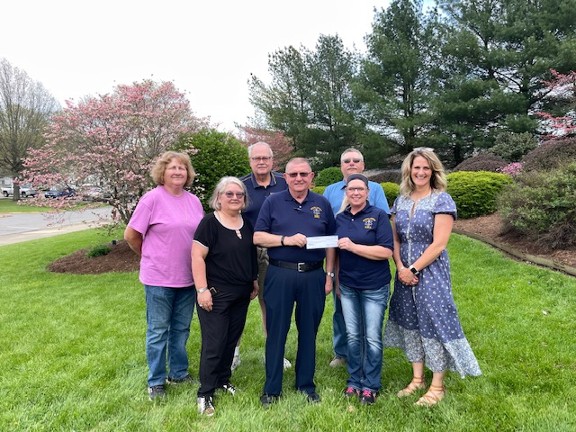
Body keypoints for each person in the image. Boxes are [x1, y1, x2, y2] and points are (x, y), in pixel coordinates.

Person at [384, 147, 481, 407]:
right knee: (410, 321)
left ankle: (437, 385)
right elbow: (394, 238)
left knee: (434, 321)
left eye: (426, 168)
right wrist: (401, 266)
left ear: (433, 171)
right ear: (409, 170)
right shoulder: (401, 200)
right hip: (403, 271)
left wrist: (413, 269)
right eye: (417, 167)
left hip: (431, 273)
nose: (421, 172)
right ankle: (417, 379)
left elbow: (439, 244)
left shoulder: (441, 200)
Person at [254, 157, 336, 407]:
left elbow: (331, 240)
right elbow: (257, 236)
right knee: (277, 330)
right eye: (293, 175)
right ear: (285, 177)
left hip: (313, 275)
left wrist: (329, 274)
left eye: (303, 174)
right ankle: (272, 388)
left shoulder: (322, 203)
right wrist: (284, 240)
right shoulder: (273, 201)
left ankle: (305, 385)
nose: (298, 179)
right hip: (280, 273)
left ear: (312, 176)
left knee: (309, 330)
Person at [124, 151, 204, 401]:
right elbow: (131, 235)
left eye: (182, 168)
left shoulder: (194, 201)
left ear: (188, 173)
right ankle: (156, 380)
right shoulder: (152, 199)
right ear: (163, 172)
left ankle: (178, 373)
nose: (178, 172)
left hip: (187, 277)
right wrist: (148, 255)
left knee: (181, 329)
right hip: (158, 278)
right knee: (158, 331)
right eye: (172, 168)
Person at [192, 177, 259, 416]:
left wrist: (253, 280)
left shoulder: (246, 223)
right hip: (215, 293)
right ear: (218, 197)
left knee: (231, 339)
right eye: (229, 194)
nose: (234, 198)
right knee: (215, 342)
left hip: (241, 292)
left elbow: (250, 255)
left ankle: (222, 379)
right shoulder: (209, 223)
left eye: (239, 194)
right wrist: (202, 290)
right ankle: (205, 393)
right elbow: (197, 257)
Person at [323, 148, 390, 368]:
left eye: (356, 160)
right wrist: (331, 272)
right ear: (341, 165)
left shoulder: (376, 189)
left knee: (368, 309)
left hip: (368, 258)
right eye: (346, 161)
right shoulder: (330, 191)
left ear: (363, 165)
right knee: (341, 307)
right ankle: (342, 352)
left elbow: (380, 223)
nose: (351, 163)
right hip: (341, 260)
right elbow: (324, 227)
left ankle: (367, 353)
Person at [335, 174, 394, 405]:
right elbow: (334, 250)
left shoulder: (378, 216)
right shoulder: (340, 218)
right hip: (348, 285)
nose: (356, 193)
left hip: (374, 286)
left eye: (360, 189)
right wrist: (335, 277)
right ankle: (354, 380)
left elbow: (386, 252)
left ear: (368, 192)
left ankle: (370, 385)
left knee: (371, 337)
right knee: (352, 336)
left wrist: (354, 246)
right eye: (352, 189)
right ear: (346, 192)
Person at [235, 142, 291, 371]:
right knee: (237, 303)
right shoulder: (241, 186)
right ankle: (233, 353)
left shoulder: (284, 184)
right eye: (256, 158)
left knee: (272, 304)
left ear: (272, 160)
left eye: (265, 158)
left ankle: (274, 352)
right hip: (243, 252)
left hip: (275, 251)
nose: (261, 162)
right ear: (250, 161)